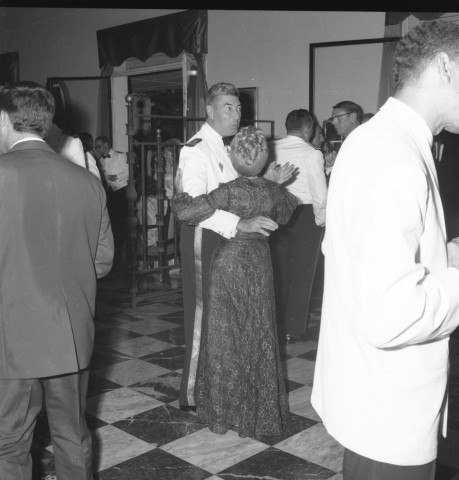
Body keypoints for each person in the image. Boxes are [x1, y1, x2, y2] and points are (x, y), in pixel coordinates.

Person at [311, 20, 459, 480]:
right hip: (390, 411)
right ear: (444, 66)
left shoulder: (377, 139)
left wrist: (444, 260)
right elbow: (390, 316)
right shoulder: (393, 155)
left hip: (372, 398)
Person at [0, 82, 114, 480]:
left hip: (11, 339)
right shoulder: (88, 183)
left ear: (3, 120)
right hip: (71, 336)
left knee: (9, 443)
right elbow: (102, 263)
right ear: (47, 126)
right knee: (72, 435)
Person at [173, 126, 297, 436]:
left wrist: (176, 193)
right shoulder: (274, 190)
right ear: (265, 157)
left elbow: (189, 213)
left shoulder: (227, 189)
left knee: (224, 335)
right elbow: (283, 214)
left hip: (228, 264)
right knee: (259, 332)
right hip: (260, 263)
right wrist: (274, 184)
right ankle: (257, 411)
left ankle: (222, 411)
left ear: (231, 156)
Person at [270, 109, 327, 343]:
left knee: (279, 270)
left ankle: (275, 322)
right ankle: (293, 327)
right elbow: (319, 192)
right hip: (303, 215)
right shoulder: (313, 153)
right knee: (302, 273)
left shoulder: (272, 147)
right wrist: (321, 219)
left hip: (277, 212)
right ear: (307, 129)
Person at [95, 135, 129, 270]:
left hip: (121, 193)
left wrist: (113, 177)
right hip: (109, 195)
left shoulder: (120, 156)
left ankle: (121, 260)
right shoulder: (100, 160)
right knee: (111, 227)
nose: (97, 149)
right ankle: (113, 261)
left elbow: (127, 173)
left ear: (106, 144)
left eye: (98, 146)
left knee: (121, 227)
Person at [324, 100, 363, 175]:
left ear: (352, 117)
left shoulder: (364, 141)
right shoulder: (349, 142)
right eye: (333, 119)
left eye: (338, 118)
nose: (334, 122)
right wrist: (331, 166)